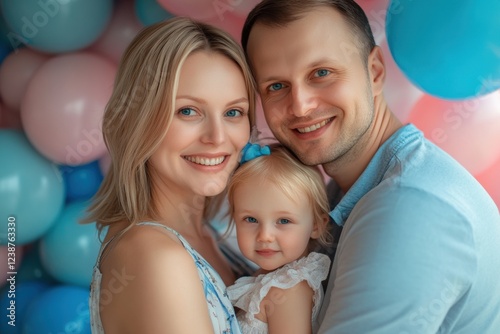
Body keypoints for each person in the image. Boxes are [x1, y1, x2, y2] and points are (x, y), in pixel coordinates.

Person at [240, 1, 500, 333]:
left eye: (321, 73)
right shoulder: (341, 191)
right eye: (276, 86)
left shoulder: (408, 208)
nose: (301, 106)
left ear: (374, 71)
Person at [84, 17, 257, 334]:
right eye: (188, 111)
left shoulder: (212, 232)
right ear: (138, 119)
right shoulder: (154, 257)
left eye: (234, 112)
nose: (217, 137)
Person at [226, 143, 332, 333]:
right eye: (251, 219)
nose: (265, 236)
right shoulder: (269, 278)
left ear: (316, 225)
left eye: (283, 221)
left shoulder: (288, 289)